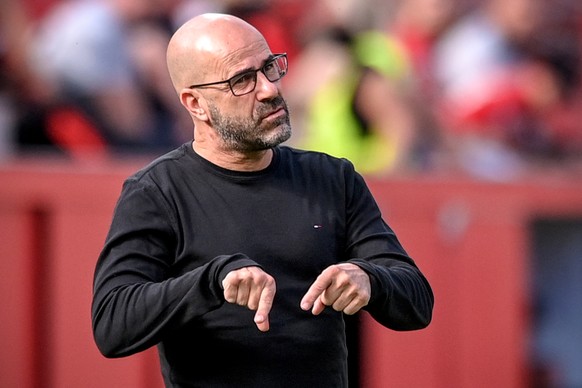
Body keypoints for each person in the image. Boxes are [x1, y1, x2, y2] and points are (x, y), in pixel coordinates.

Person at [91, 13, 434, 388]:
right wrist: (211, 282)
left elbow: (417, 302)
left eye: (270, 67)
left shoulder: (332, 179)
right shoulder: (157, 191)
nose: (269, 89)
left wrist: (370, 278)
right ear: (195, 104)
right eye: (242, 80)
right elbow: (112, 324)